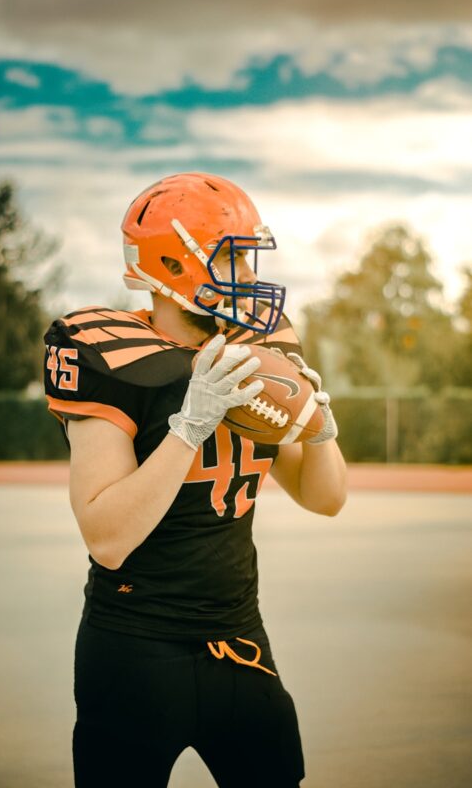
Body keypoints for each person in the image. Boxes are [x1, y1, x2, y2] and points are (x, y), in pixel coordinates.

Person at [44, 172, 347, 787]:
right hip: (135, 647)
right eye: (233, 257)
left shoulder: (252, 350)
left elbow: (326, 498)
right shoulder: (113, 354)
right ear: (177, 264)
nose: (249, 276)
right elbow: (107, 538)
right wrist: (188, 427)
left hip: (239, 639)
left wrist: (319, 429)